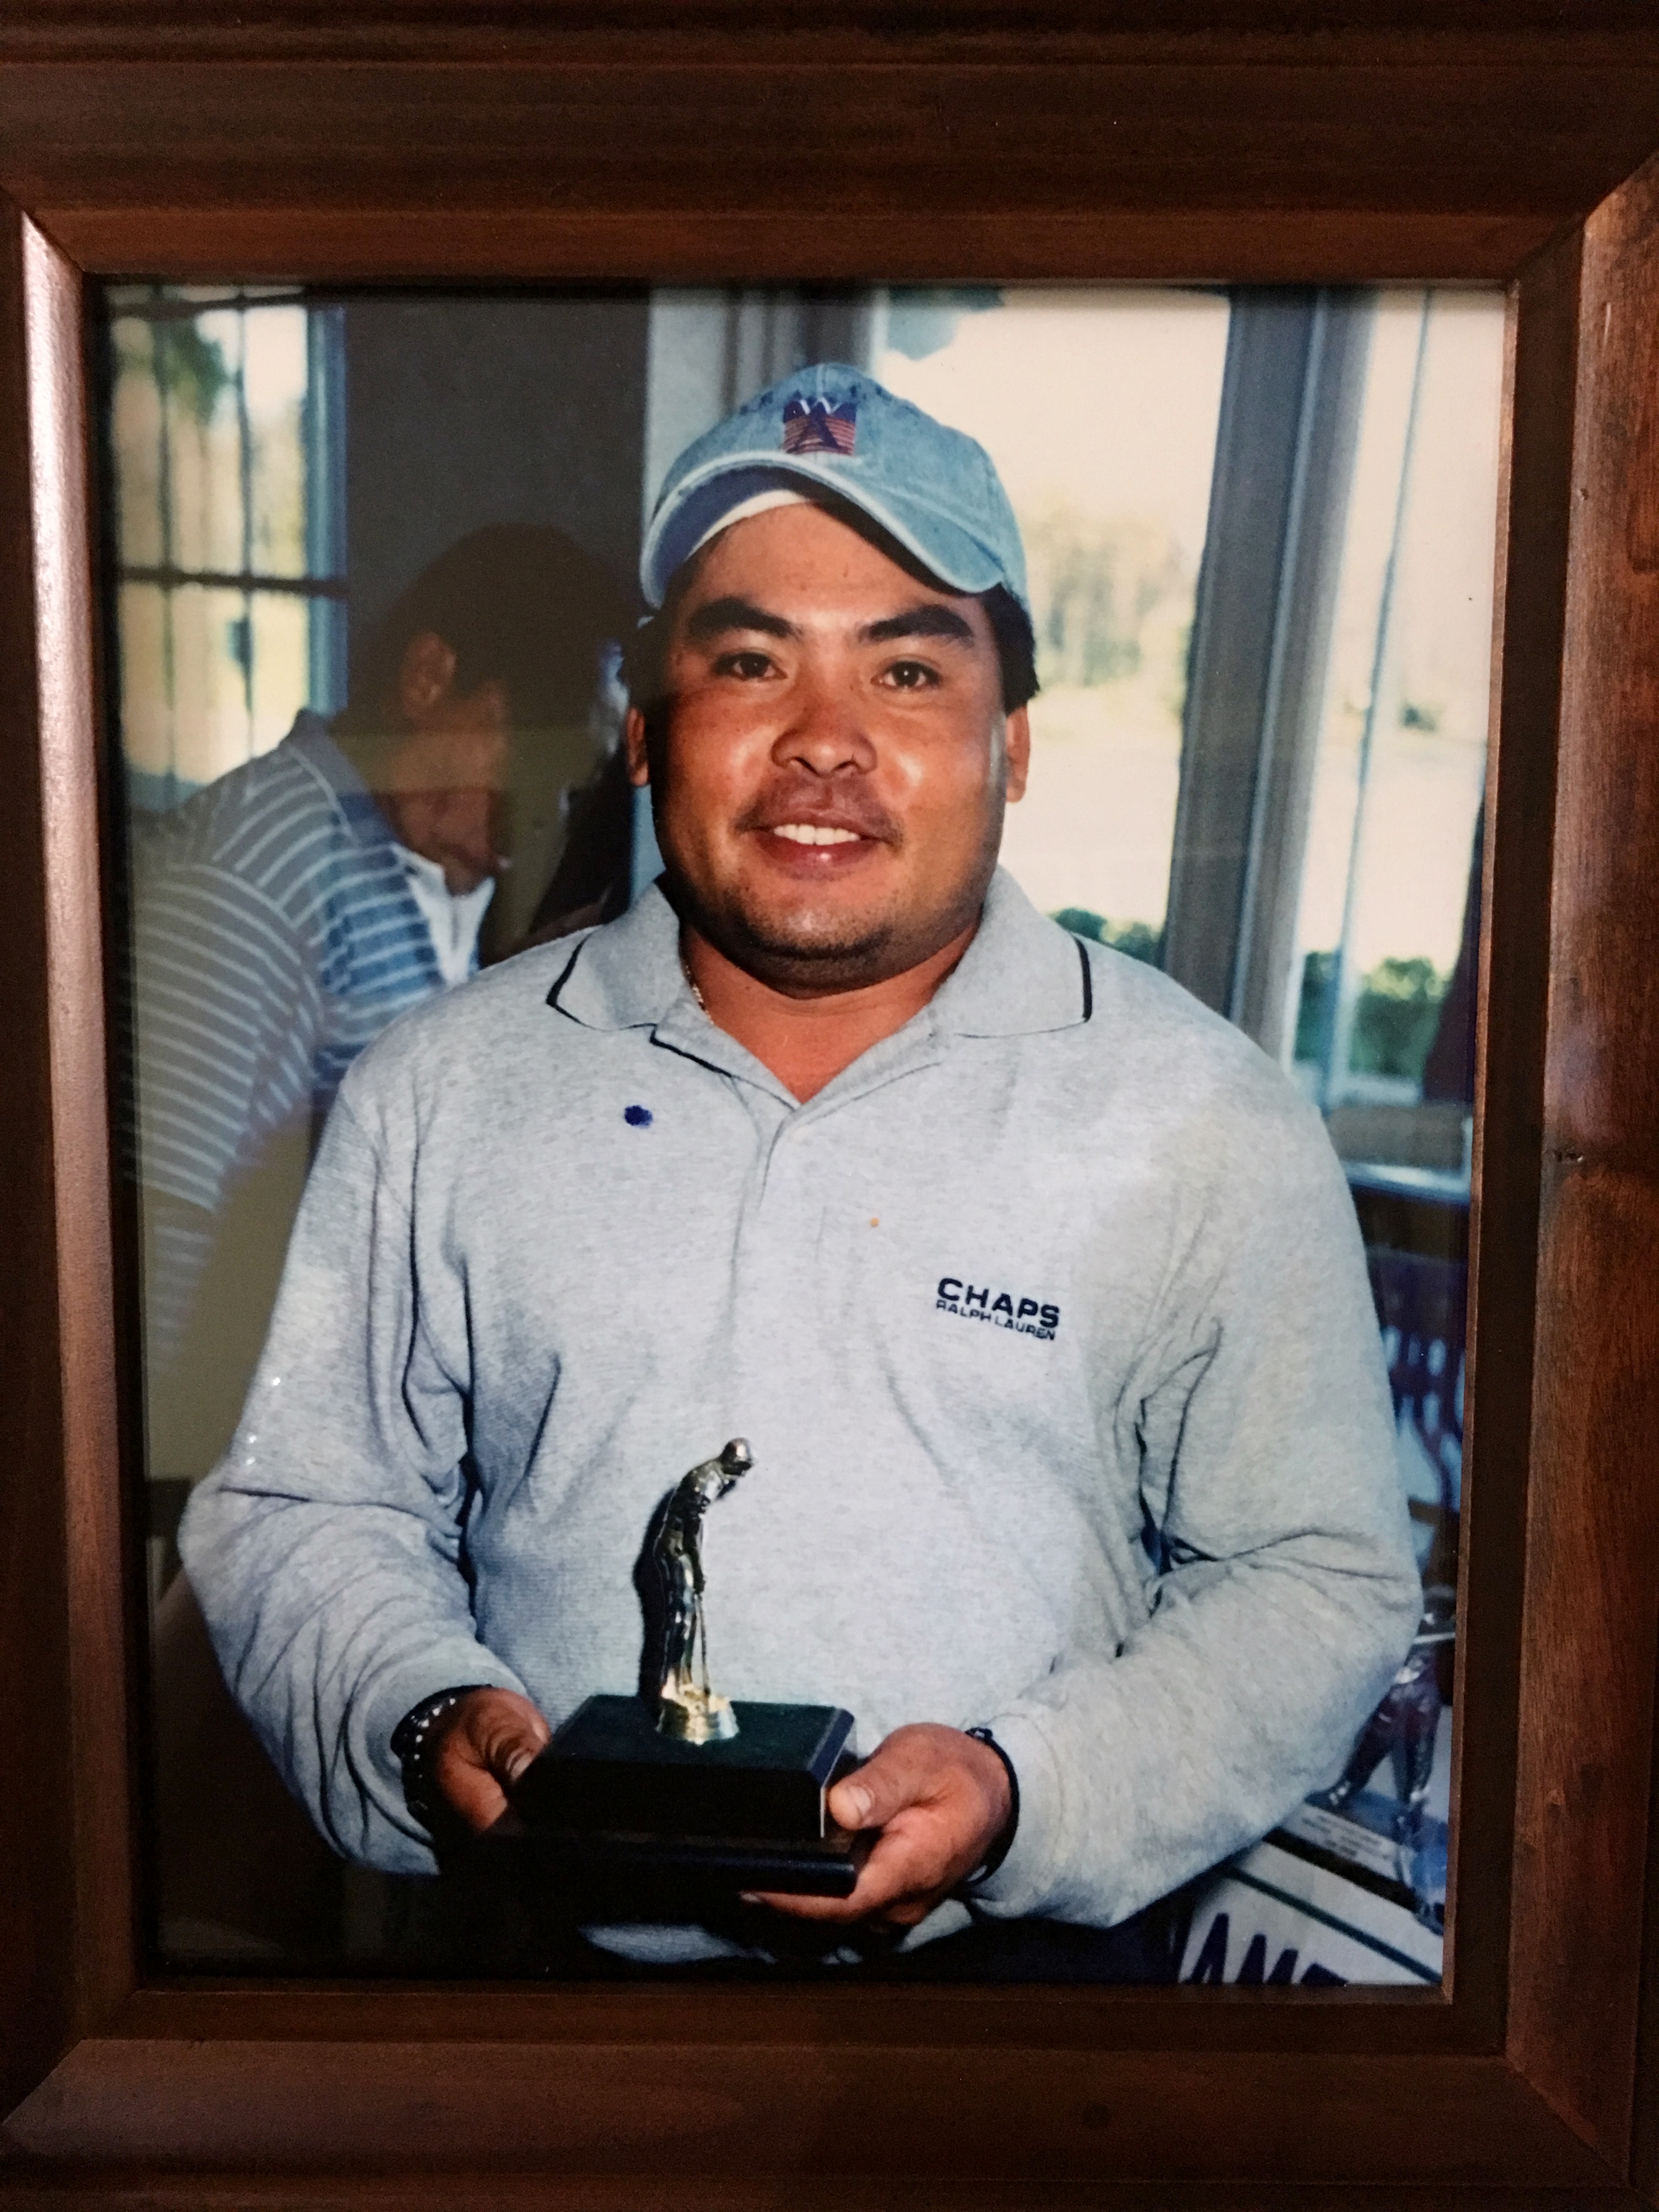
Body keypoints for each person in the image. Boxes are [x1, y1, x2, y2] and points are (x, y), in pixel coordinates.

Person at [180, 363, 1420, 1980]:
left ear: (1013, 742)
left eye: (907, 670)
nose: (825, 741)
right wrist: (415, 1713)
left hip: (1017, 2019)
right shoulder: (441, 1088)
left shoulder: (1207, 1115)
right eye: (751, 661)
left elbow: (1317, 1580)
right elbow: (304, 1506)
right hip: (532, 2001)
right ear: (645, 731)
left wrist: (1023, 1790)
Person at [131, 523, 633, 1471]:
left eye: (572, 789)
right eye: (536, 761)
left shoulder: (404, 867)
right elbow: (154, 1254)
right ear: (429, 679)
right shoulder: (253, 874)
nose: (541, 821)